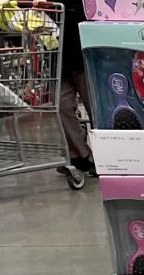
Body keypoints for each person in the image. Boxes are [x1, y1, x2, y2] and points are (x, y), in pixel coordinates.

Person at [56, 0, 93, 174]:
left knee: (94, 107)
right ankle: (80, 154)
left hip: (85, 52)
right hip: (59, 58)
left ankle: (104, 156)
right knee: (61, 106)